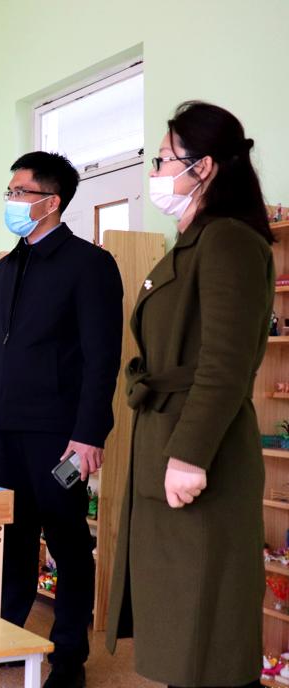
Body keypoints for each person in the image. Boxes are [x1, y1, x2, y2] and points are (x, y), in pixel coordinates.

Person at [106, 102, 273, 688]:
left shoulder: (228, 241)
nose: (155, 172)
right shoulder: (193, 241)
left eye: (162, 160)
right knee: (184, 629)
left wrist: (190, 454)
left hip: (200, 454)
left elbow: (226, 364)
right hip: (169, 440)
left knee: (208, 634)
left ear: (203, 167)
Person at [0, 151, 123, 688]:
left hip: (59, 435)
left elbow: (102, 358)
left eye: (19, 192)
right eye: (9, 192)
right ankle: (5, 639)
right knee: (14, 536)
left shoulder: (90, 265)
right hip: (4, 427)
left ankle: (69, 659)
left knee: (68, 540)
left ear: (50, 202)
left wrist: (89, 434)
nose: (10, 200)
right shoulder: (5, 267)